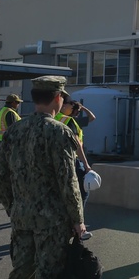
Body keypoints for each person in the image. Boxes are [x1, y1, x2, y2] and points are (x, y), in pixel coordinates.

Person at [0, 75, 86, 279]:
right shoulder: (59, 133)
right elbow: (68, 183)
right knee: (48, 278)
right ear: (58, 98)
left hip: (22, 219)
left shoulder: (14, 131)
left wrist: (14, 207)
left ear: (34, 98)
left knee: (21, 275)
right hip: (52, 223)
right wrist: (78, 221)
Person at [57, 93, 95, 240]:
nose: (76, 111)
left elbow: (92, 118)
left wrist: (79, 107)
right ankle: (79, 226)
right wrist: (86, 165)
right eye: (73, 107)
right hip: (73, 160)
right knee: (82, 192)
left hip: (56, 161)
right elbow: (77, 145)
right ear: (65, 105)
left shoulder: (52, 119)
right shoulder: (68, 121)